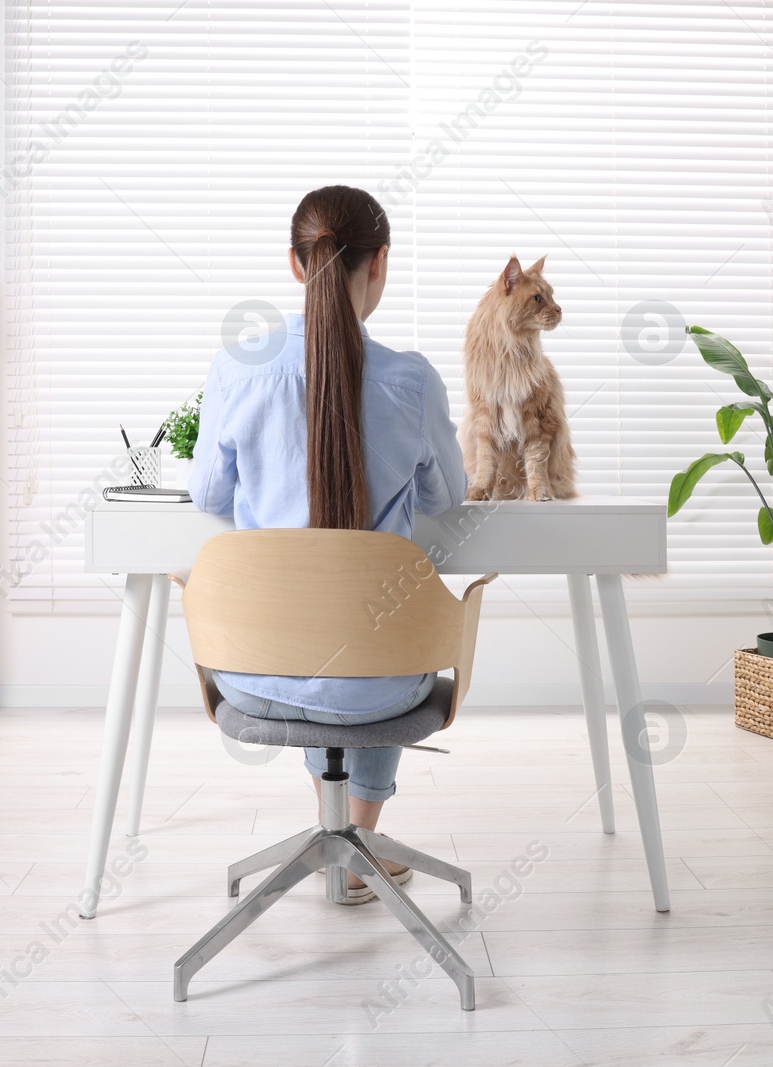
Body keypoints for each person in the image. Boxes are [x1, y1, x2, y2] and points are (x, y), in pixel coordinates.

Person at [189, 185, 467, 903]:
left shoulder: (238, 368)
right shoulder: (412, 381)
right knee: (366, 641)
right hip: (380, 680)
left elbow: (209, 500)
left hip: (255, 672)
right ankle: (356, 844)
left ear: (294, 262)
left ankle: (344, 838)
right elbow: (447, 500)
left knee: (312, 632)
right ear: (380, 265)